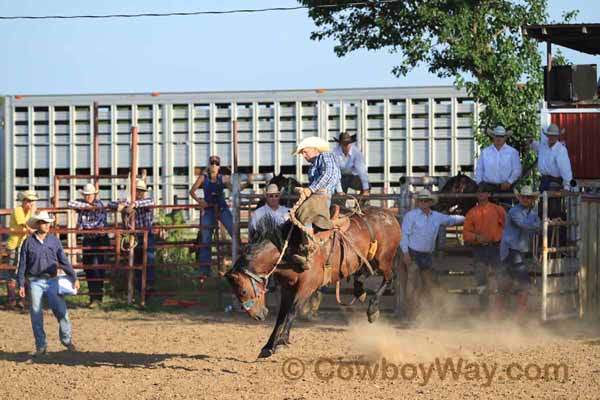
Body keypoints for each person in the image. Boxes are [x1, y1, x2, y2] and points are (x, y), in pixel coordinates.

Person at [16, 211, 80, 356]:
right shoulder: (28, 242)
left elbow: (63, 260)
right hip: (34, 281)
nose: (47, 225)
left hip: (52, 280)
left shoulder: (54, 241)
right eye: (44, 222)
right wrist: (21, 283)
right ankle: (41, 346)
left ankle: (66, 339)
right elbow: (23, 264)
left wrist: (73, 277)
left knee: (61, 312)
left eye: (48, 222)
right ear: (38, 224)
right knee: (36, 314)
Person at [400, 189, 465, 314]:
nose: (423, 202)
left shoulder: (436, 216)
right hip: (413, 253)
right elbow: (404, 236)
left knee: (427, 285)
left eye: (426, 200)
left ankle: (422, 311)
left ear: (430, 202)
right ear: (418, 202)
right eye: (421, 200)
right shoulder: (411, 216)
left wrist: (467, 217)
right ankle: (412, 312)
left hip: (426, 255)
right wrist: (405, 253)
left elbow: (452, 219)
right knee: (413, 283)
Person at [291, 136, 341, 269]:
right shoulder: (314, 165)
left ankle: (309, 248)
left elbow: (330, 174)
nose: (304, 155)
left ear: (314, 149)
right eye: (302, 153)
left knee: (303, 211)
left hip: (322, 196)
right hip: (317, 195)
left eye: (305, 151)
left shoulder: (325, 156)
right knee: (299, 212)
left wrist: (311, 189)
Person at [497, 186, 541, 320]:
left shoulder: (532, 213)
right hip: (511, 250)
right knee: (524, 282)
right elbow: (526, 225)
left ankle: (501, 314)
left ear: (532, 199)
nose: (526, 199)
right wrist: (543, 224)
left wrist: (541, 224)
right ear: (520, 198)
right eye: (523, 197)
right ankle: (519, 316)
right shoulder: (514, 211)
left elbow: (537, 227)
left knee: (506, 282)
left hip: (516, 250)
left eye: (528, 197)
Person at [463, 183, 506, 310]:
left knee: (501, 276)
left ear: (489, 194)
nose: (481, 194)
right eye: (479, 192)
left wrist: (499, 238)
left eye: (483, 192)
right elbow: (465, 233)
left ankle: (501, 308)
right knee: (481, 279)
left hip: (495, 247)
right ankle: (484, 308)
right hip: (479, 248)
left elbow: (507, 227)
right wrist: (477, 238)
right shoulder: (471, 213)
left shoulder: (498, 210)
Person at [189, 155, 234, 277]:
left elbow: (234, 190)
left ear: (219, 166)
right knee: (206, 239)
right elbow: (192, 191)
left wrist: (238, 186)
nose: (214, 165)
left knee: (235, 232)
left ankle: (238, 266)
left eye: (216, 163)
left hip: (222, 208)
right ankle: (204, 271)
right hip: (209, 209)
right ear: (209, 165)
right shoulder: (203, 177)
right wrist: (200, 202)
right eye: (212, 163)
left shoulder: (222, 178)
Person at [68, 183, 109, 308]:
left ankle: (97, 297)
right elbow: (70, 203)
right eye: (86, 195)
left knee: (97, 268)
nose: (88, 197)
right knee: (89, 268)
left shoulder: (99, 205)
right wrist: (86, 206)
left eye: (90, 195)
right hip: (88, 239)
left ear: (94, 195)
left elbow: (98, 216)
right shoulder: (84, 205)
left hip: (99, 239)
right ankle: (93, 297)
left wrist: (86, 207)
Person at [112, 179, 155, 293]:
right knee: (136, 261)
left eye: (142, 191)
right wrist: (121, 205)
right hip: (134, 236)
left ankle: (148, 285)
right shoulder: (128, 201)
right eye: (138, 190)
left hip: (146, 235)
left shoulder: (147, 201)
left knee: (149, 259)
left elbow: (149, 202)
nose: (140, 193)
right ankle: (139, 287)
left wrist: (133, 204)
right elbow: (112, 204)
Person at [530, 123, 574, 219]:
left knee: (553, 211)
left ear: (557, 136)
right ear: (547, 136)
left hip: (555, 182)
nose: (552, 137)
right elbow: (537, 147)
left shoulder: (560, 150)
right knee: (543, 210)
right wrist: (531, 142)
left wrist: (567, 186)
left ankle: (552, 233)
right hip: (544, 181)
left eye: (554, 135)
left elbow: (565, 169)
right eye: (550, 135)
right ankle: (545, 232)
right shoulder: (544, 146)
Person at [3, 190, 38, 309]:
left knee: (25, 270)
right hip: (14, 244)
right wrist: (31, 229)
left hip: (24, 244)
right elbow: (24, 224)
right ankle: (12, 299)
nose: (31, 203)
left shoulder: (30, 212)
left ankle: (22, 299)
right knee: (13, 271)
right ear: (23, 201)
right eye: (29, 201)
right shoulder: (18, 210)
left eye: (32, 201)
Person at [474, 126, 522, 205]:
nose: (499, 138)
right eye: (497, 136)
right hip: (488, 188)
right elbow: (479, 169)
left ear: (505, 137)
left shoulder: (513, 152)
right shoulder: (485, 152)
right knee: (488, 213)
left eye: (501, 136)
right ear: (493, 137)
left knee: (505, 213)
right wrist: (480, 184)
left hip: (506, 187)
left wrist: (509, 182)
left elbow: (517, 169)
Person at [332, 131, 370, 196]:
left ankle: (361, 204)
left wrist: (365, 189)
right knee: (339, 199)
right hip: (339, 178)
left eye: (348, 143)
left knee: (367, 186)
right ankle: (339, 204)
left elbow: (362, 171)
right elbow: (335, 173)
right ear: (340, 144)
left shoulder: (356, 152)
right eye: (345, 144)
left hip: (353, 177)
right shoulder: (334, 153)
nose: (347, 146)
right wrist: (339, 190)